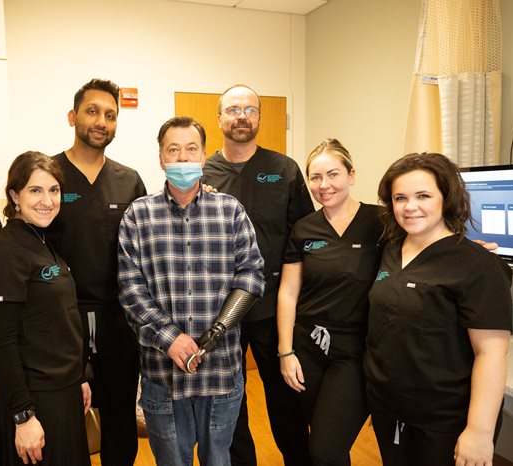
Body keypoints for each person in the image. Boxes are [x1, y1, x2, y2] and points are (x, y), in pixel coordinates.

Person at [118, 116, 265, 466]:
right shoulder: (138, 216)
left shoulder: (230, 211)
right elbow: (130, 289)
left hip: (220, 372)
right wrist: (171, 338)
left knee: (219, 461)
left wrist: (217, 331)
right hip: (162, 376)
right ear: (160, 158)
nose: (183, 158)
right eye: (173, 150)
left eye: (191, 150)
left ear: (203, 157)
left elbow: (252, 274)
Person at [364, 152, 512, 466]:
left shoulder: (477, 264)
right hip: (389, 409)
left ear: (447, 198)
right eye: (400, 197)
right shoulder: (389, 249)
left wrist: (479, 431)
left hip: (444, 419)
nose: (410, 206)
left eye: (423, 196)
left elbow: (492, 353)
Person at [202, 84, 315, 465]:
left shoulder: (284, 169)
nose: (241, 116)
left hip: (272, 309)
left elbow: (305, 235)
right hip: (219, 312)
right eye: (233, 109)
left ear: (259, 118)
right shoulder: (200, 173)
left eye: (250, 109)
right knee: (228, 402)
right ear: (219, 119)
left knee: (285, 399)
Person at [48, 78, 146, 466]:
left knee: (120, 415)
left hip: (118, 319)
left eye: (110, 115)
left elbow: (146, 245)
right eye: (92, 112)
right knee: (67, 416)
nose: (101, 121)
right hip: (62, 319)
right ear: (73, 116)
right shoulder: (49, 174)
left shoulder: (129, 180)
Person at [0, 151, 91, 465]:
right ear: (15, 195)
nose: (47, 200)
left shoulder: (41, 240)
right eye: (35, 190)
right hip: (34, 399)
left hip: (62, 391)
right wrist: (23, 416)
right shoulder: (6, 252)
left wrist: (78, 377)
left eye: (53, 190)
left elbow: (54, 321)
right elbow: (4, 341)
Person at [276, 139, 379, 465]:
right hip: (308, 349)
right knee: (326, 445)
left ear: (351, 174)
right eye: (315, 177)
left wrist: (466, 248)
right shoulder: (304, 229)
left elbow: (426, 241)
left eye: (332, 174)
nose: (324, 185)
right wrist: (286, 351)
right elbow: (288, 293)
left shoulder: (382, 222)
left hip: (354, 353)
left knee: (325, 448)